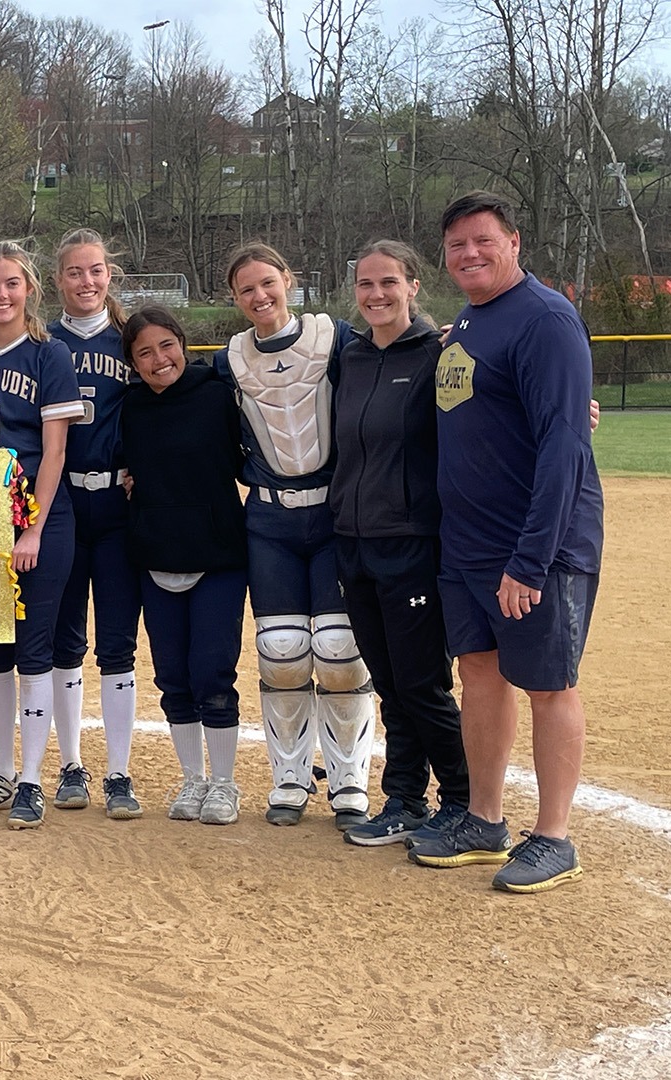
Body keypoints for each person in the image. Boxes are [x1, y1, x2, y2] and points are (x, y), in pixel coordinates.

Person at [408, 191, 603, 894]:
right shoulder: (467, 320)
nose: (469, 254)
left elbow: (563, 448)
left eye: (483, 241)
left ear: (514, 242)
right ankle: (484, 819)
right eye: (457, 245)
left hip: (534, 544)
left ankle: (553, 836)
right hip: (466, 544)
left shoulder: (546, 319)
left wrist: (532, 558)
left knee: (549, 684)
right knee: (480, 676)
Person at [212, 242, 376, 831]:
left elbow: (397, 358)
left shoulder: (334, 338)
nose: (260, 297)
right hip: (271, 520)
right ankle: (290, 775)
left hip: (334, 516)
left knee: (338, 651)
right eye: (246, 290)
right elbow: (185, 406)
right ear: (235, 299)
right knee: (281, 652)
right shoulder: (230, 360)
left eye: (268, 283)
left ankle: (350, 776)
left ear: (289, 280)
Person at [330, 242, 471, 848]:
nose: (376, 294)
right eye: (365, 284)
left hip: (413, 541)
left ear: (414, 285)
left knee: (422, 684)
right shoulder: (352, 357)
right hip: (353, 541)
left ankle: (465, 800)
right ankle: (405, 798)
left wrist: (578, 410)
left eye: (389, 282)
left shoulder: (441, 355)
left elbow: (491, 414)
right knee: (389, 683)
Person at [0, 240, 86, 830]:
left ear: (30, 287)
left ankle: (32, 777)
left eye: (12, 283)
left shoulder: (49, 354)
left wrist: (32, 530)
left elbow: (55, 451)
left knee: (34, 645)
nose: (1, 295)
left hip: (41, 517)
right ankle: (2, 771)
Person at [119, 306, 250, 827]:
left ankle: (224, 783)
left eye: (166, 346)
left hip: (217, 555)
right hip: (156, 555)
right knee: (173, 675)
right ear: (132, 362)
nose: (159, 360)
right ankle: (193, 779)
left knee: (212, 671)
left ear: (182, 343)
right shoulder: (128, 406)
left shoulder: (217, 393)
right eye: (144, 353)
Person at [46, 229, 143, 817]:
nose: (87, 281)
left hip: (115, 505)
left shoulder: (132, 339)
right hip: (57, 505)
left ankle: (120, 772)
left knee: (117, 644)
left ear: (111, 275)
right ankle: (71, 765)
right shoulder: (41, 341)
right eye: (75, 272)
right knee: (64, 642)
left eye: (96, 270)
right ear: (57, 280)